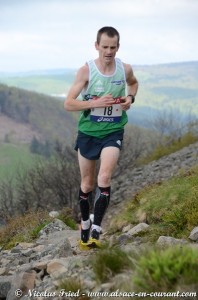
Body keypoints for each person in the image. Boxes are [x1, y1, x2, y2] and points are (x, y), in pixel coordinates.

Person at [64, 26, 138, 249]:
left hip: (113, 130)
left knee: (104, 179)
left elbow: (133, 84)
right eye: (104, 47)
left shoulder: (124, 69)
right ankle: (85, 222)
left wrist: (130, 98)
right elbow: (68, 103)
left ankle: (96, 226)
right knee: (87, 184)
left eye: (112, 47)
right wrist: (94, 103)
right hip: (88, 133)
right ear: (96, 46)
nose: (108, 51)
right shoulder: (86, 71)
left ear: (118, 47)